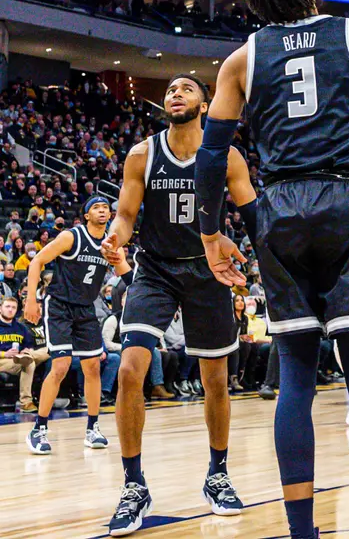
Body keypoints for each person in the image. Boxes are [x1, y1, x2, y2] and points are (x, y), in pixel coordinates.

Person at [193, 0, 349, 539]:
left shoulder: (240, 60)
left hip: (279, 208)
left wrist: (212, 233)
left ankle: (303, 532)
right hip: (345, 200)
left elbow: (213, 156)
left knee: (294, 376)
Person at [100, 74, 256, 534]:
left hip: (208, 271)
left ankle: (218, 473)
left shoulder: (225, 156)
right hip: (156, 268)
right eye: (170, 90)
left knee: (217, 381)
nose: (175, 93)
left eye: (186, 89)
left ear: (205, 105)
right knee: (130, 369)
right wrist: (115, 238)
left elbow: (252, 213)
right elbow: (126, 216)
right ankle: (133, 485)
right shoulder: (142, 154)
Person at [23, 195, 113, 453]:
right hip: (60, 306)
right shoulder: (72, 237)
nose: (102, 211)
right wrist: (32, 300)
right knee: (60, 365)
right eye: (96, 207)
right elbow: (37, 261)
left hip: (86, 308)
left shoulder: (110, 244)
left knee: (93, 366)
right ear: (86, 215)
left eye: (106, 207)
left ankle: (92, 427)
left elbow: (124, 270)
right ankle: (38, 428)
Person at [0, 294, 48, 412]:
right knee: (29, 362)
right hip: (2, 360)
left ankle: (27, 357)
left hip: (17, 359)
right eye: (7, 307)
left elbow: (28, 345)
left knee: (49, 350)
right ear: (0, 308)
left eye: (13, 307)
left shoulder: (20, 327)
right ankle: (26, 402)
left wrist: (27, 351)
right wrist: (4, 354)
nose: (10, 310)